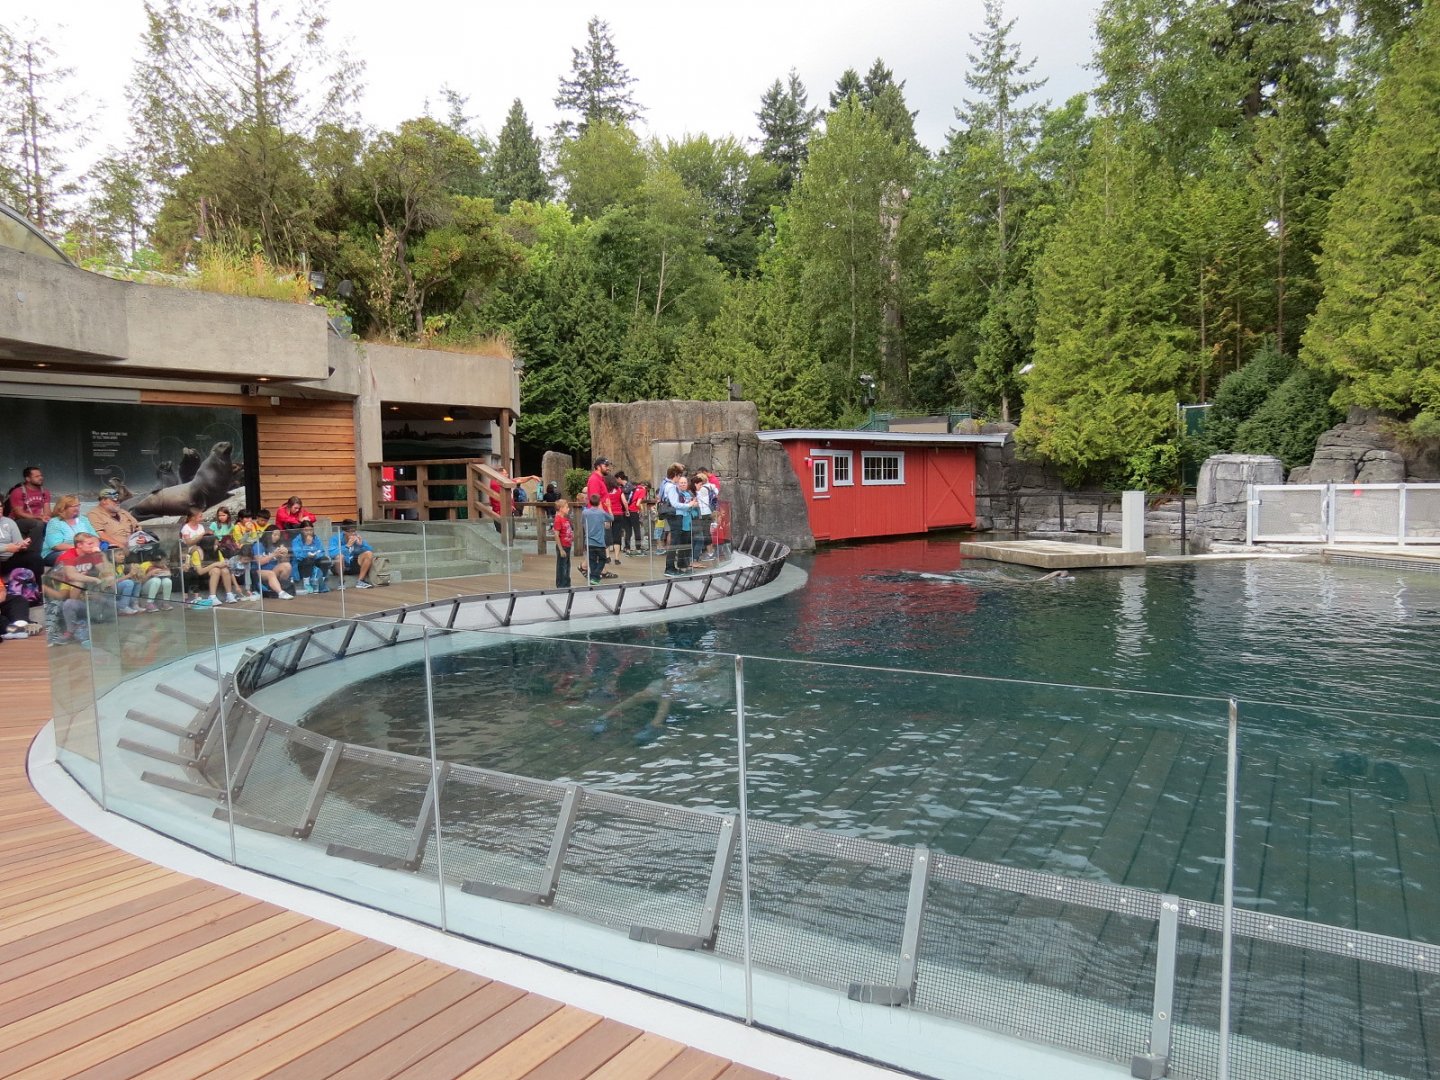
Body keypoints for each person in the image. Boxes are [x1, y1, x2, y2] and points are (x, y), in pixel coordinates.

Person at [53, 531, 116, 643]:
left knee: (110, 580)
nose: (94, 546)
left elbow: (106, 571)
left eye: (94, 543)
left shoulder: (93, 554)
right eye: (90, 544)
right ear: (79, 545)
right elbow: (71, 575)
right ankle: (73, 630)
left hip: (90, 593)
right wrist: (94, 579)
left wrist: (102, 555)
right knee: (78, 584)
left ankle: (109, 612)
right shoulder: (68, 556)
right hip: (67, 592)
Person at [41, 495, 98, 566]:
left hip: (84, 549)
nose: (77, 508)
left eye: (78, 505)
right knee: (75, 557)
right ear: (63, 508)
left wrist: (93, 547)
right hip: (55, 552)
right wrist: (80, 548)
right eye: (73, 506)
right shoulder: (55, 522)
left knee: (101, 555)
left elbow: (95, 536)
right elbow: (55, 545)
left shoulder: (83, 519)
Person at [6, 466, 51, 553]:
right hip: (18, 522)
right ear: (28, 479)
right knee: (38, 524)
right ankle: (33, 554)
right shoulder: (18, 492)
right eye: (37, 476)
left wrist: (47, 517)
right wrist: (39, 517)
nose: (41, 478)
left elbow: (47, 510)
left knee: (52, 522)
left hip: (38, 520)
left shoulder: (45, 491)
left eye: (41, 475)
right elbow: (18, 513)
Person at [659, 464, 693, 577]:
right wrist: (689, 505)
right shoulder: (671, 487)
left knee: (674, 542)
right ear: (676, 475)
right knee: (674, 543)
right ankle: (669, 568)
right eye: (679, 476)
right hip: (675, 515)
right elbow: (675, 504)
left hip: (671, 516)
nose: (679, 479)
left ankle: (671, 567)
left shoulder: (664, 483)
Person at [327, 520, 375, 588]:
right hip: (339, 566)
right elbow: (331, 553)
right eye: (351, 531)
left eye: (354, 531)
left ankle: (360, 581)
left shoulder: (357, 538)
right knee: (340, 557)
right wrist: (347, 546)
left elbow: (370, 550)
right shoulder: (335, 538)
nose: (353, 534)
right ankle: (341, 582)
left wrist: (361, 545)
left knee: (368, 554)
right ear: (344, 532)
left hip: (353, 564)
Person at [251, 526, 295, 598]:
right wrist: (273, 554)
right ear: (268, 534)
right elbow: (260, 562)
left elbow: (284, 562)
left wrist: (285, 554)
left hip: (273, 569)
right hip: (258, 571)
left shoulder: (277, 545)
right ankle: (280, 593)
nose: (277, 537)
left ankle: (282, 587)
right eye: (274, 535)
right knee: (270, 574)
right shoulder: (258, 545)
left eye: (278, 535)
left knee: (287, 565)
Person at [580, 494, 612, 586]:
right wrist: (609, 507)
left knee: (592, 560)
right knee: (602, 559)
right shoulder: (601, 512)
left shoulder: (585, 512)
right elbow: (611, 518)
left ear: (590, 502)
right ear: (599, 502)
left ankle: (594, 578)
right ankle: (595, 576)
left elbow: (582, 522)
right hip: (600, 542)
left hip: (589, 541)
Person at [290, 524, 329, 592]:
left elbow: (322, 551)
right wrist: (307, 545)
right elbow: (298, 556)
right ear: (302, 530)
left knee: (325, 560)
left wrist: (315, 555)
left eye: (311, 530)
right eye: (306, 530)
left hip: (314, 561)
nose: (309, 532)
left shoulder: (316, 538)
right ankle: (306, 583)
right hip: (301, 565)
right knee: (308, 560)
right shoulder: (296, 540)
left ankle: (321, 582)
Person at [553, 498, 573, 588]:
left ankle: (567, 583)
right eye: (566, 507)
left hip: (568, 545)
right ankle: (561, 584)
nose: (568, 509)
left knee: (567, 565)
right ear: (561, 508)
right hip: (562, 546)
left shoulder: (566, 519)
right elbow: (556, 535)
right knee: (562, 566)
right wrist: (560, 549)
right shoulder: (558, 520)